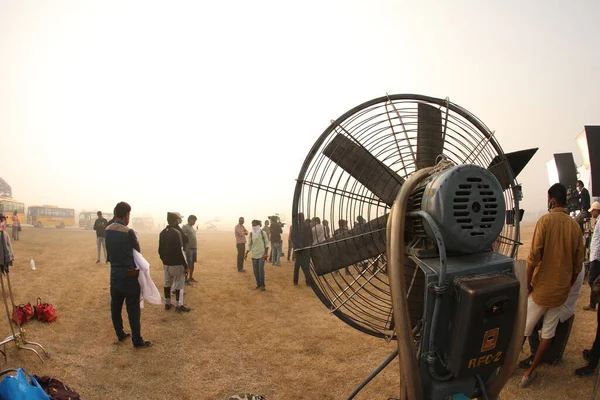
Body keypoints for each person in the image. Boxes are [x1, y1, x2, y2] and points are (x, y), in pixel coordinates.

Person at [519, 184, 584, 387]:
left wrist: (528, 283)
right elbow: (577, 266)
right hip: (560, 293)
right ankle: (529, 373)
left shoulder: (545, 221)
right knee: (548, 333)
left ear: (552, 201)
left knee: (523, 328)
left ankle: (508, 366)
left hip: (541, 290)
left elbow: (533, 259)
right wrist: (567, 285)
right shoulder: (575, 226)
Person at [105, 202, 151, 348]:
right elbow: (137, 249)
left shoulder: (107, 230)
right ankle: (137, 340)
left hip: (114, 273)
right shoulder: (128, 232)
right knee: (133, 308)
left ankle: (120, 333)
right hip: (129, 274)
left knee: (116, 305)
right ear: (126, 215)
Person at [518, 268, 584, 368]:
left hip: (559, 305)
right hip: (564, 304)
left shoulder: (568, 267)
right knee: (536, 324)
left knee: (531, 324)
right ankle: (540, 355)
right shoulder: (578, 264)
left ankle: (535, 355)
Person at [159, 212, 191, 313]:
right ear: (176, 220)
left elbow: (160, 250)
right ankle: (179, 305)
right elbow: (180, 250)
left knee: (167, 283)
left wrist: (164, 260)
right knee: (179, 285)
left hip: (167, 263)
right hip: (177, 263)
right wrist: (185, 265)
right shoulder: (177, 233)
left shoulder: (163, 232)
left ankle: (167, 304)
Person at [584, 201, 600, 311]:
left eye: (592, 211)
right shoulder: (597, 221)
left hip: (596, 256)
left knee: (592, 280)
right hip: (595, 254)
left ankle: (595, 302)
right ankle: (593, 303)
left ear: (596, 210)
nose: (591, 213)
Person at [245, 220, 269, 290]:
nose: (254, 227)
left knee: (260, 270)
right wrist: (246, 253)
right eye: (253, 225)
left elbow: (267, 244)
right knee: (255, 271)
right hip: (254, 255)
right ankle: (258, 284)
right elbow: (249, 244)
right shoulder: (251, 234)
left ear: (259, 225)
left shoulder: (263, 233)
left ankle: (262, 285)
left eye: (255, 225)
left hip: (261, 255)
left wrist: (266, 254)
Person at [293, 214, 313, 286]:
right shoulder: (308, 226)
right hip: (306, 248)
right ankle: (308, 281)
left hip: (298, 248)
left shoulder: (295, 226)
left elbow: (293, 237)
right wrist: (309, 245)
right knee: (306, 265)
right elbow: (311, 237)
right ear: (303, 218)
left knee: (297, 265)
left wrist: (296, 245)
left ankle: (295, 281)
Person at [181, 215, 198, 285]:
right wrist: (185, 247)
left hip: (194, 248)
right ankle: (185, 280)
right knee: (188, 264)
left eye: (195, 221)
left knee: (192, 263)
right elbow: (182, 237)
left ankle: (190, 277)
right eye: (193, 220)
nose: (194, 222)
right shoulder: (185, 227)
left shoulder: (192, 228)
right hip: (188, 249)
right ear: (189, 219)